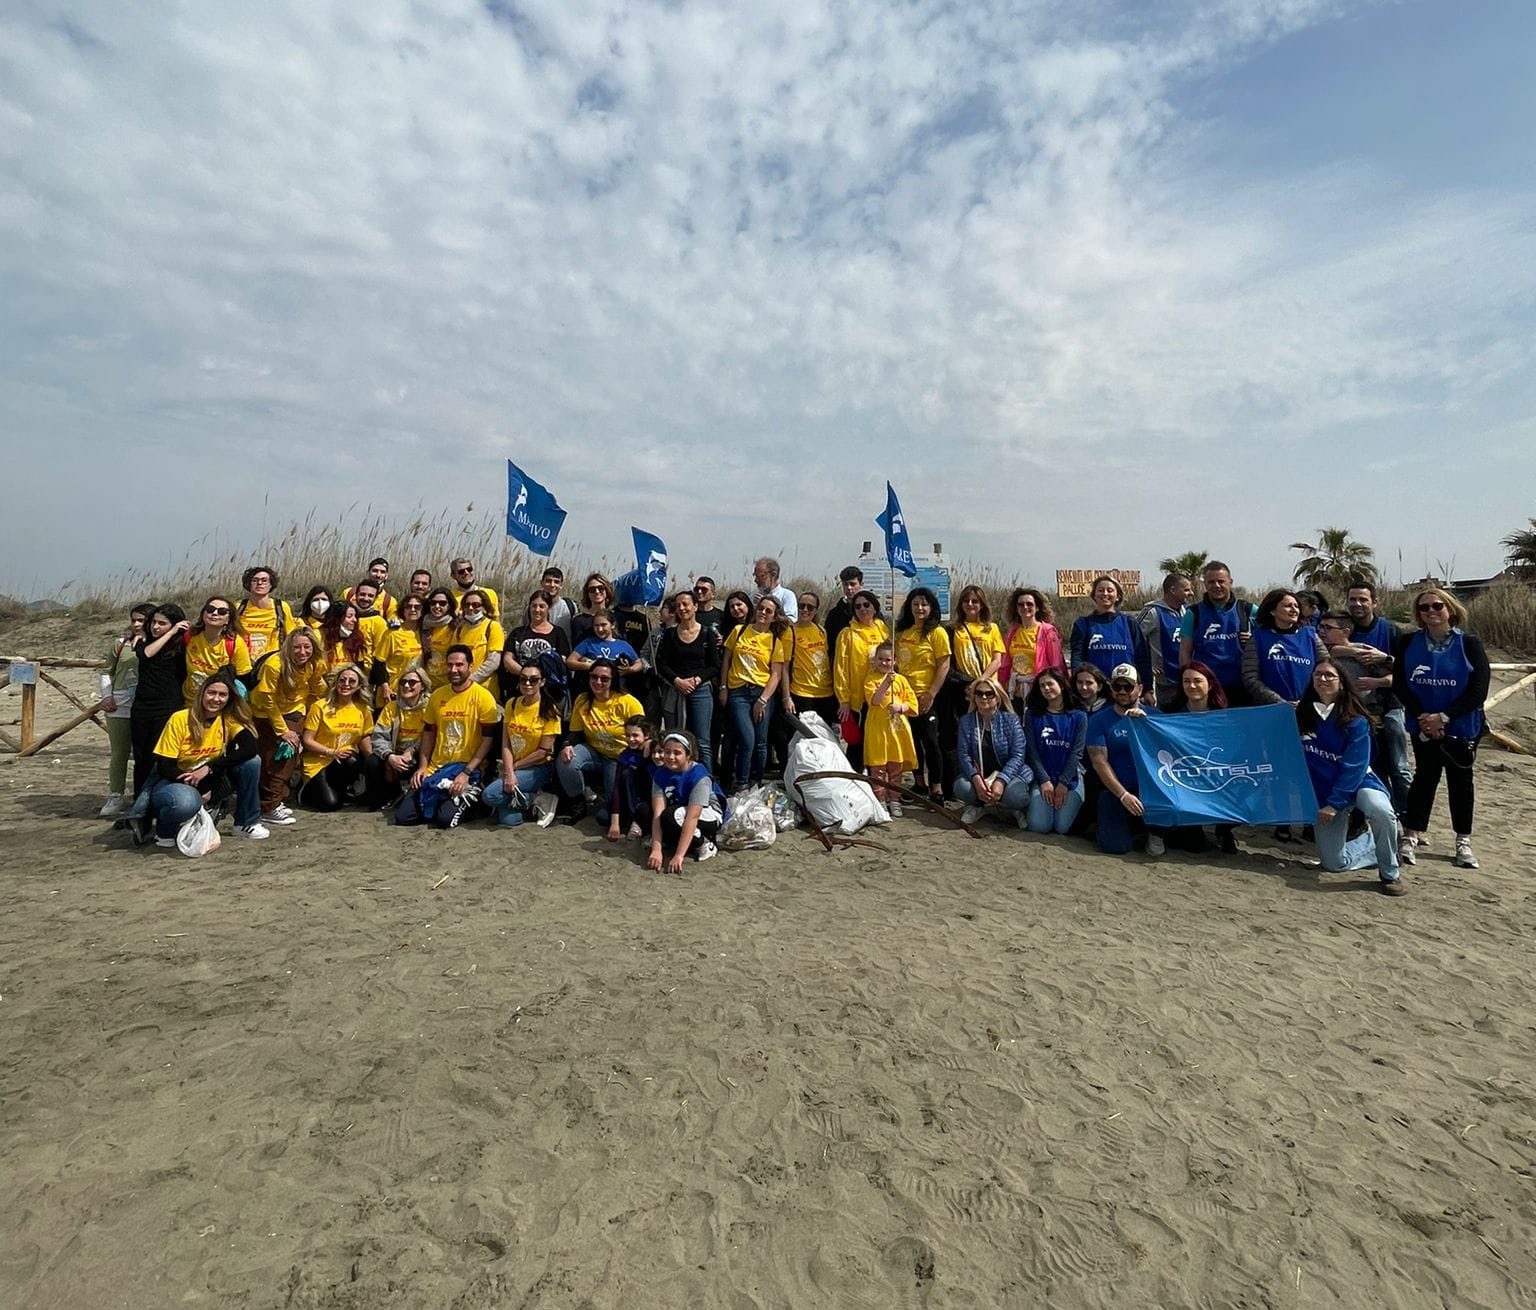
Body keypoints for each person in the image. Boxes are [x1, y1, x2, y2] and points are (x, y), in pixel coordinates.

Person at [1394, 588, 1490, 870]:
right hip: (1422, 722)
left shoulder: (1469, 643)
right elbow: (1400, 682)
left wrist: (1444, 717)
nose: (1431, 612)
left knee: (1461, 783)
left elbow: (1478, 688)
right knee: (1424, 777)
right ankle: (1411, 834)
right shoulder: (1409, 641)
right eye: (1424, 608)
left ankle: (1463, 841)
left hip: (1460, 724)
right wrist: (1423, 716)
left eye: (1437, 606)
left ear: (1450, 609)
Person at [1298, 660, 1406, 895]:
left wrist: (1335, 804)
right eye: (1318, 675)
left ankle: (1390, 872)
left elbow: (1354, 766)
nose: (1323, 679)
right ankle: (1378, 843)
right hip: (1325, 793)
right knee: (1334, 864)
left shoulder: (1356, 721)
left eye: (1329, 676)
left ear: (1342, 684)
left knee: (1380, 811)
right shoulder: (1302, 715)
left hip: (1358, 783)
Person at [141, 671, 266, 845]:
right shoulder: (180, 719)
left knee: (252, 763)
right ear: (202, 694)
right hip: (174, 780)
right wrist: (200, 785)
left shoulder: (227, 720)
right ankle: (164, 832)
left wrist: (209, 768)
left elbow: (250, 749)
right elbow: (165, 766)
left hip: (209, 777)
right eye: (211, 693)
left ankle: (246, 822)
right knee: (186, 803)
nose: (216, 699)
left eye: (222, 695)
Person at [397, 646, 501, 828]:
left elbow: (488, 741)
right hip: (437, 768)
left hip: (467, 769)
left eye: (459, 665)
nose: (454, 670)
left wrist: (466, 773)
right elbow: (429, 734)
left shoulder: (483, 697)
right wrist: (422, 767)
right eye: (450, 665)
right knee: (404, 818)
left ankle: (478, 803)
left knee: (445, 821)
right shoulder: (437, 696)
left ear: (470, 666)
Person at [1317, 609, 1407, 806]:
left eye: (1327, 628)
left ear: (1346, 631)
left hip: (1367, 715)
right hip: (1333, 716)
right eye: (1320, 627)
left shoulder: (1366, 653)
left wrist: (1378, 681)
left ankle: (1394, 813)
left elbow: (1398, 676)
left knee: (1383, 767)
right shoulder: (1320, 649)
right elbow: (1329, 651)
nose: (1321, 631)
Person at [1344, 579, 1414, 814]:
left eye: (1363, 599)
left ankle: (1408, 818)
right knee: (1371, 766)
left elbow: (1408, 672)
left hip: (1391, 705)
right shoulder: (1344, 629)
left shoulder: (1390, 630)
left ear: (1375, 602)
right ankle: (1379, 815)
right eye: (1352, 599)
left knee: (1399, 766)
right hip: (1356, 709)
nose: (1357, 604)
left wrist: (1382, 666)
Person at [1086, 664, 1167, 856]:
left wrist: (1147, 726)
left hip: (1152, 790)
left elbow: (1170, 752)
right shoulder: (1099, 720)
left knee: (1191, 842)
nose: (1122, 692)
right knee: (1115, 847)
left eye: (1128, 687)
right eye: (1117, 687)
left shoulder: (1156, 717)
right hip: (1115, 790)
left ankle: (1153, 832)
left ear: (1139, 688)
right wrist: (1123, 795)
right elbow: (1099, 762)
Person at [249, 627, 322, 825]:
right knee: (279, 756)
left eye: (307, 647)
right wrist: (283, 731)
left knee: (289, 758)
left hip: (295, 710)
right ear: (289, 647)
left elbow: (318, 686)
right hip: (266, 713)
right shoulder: (274, 665)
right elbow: (267, 700)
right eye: (297, 647)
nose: (302, 652)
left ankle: (278, 798)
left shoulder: (313, 663)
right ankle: (268, 806)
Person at [556, 658, 644, 823]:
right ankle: (578, 803)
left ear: (613, 680)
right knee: (566, 759)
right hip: (594, 752)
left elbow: (642, 738)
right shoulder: (582, 700)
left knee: (608, 816)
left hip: (619, 758)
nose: (598, 682)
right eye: (594, 677)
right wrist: (567, 745)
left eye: (605, 679)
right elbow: (575, 732)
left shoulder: (628, 703)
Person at [719, 596, 790, 792]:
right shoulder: (739, 631)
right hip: (738, 692)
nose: (763, 613)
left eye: (769, 611)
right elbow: (726, 661)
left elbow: (775, 674)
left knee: (761, 742)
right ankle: (742, 783)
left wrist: (763, 699)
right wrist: (723, 687)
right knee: (747, 739)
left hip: (762, 692)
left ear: (774, 617)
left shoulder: (775, 642)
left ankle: (756, 783)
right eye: (761, 609)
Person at [1167, 661, 1239, 855]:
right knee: (1194, 846)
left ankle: (1224, 830)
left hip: (1216, 776)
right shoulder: (1170, 714)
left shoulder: (1225, 716)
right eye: (1186, 681)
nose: (1191, 686)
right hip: (1183, 780)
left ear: (1210, 684)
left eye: (1197, 681)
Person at [483, 663, 562, 827]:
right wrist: (509, 770)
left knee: (489, 795)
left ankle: (539, 798)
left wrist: (512, 770)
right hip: (513, 764)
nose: (527, 684)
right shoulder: (512, 703)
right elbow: (506, 744)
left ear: (542, 682)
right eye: (523, 679)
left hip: (538, 767)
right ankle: (531, 801)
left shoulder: (549, 711)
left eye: (533, 680)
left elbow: (543, 752)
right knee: (510, 820)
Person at [894, 587, 952, 803]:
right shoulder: (902, 633)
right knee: (912, 741)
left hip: (927, 696)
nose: (920, 608)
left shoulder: (937, 632)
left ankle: (936, 788)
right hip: (904, 697)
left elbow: (943, 665)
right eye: (916, 604)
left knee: (930, 741)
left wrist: (931, 694)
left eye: (924, 604)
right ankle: (919, 783)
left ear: (931, 608)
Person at [128, 604, 188, 802]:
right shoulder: (142, 641)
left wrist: (175, 633)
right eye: (154, 622)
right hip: (143, 707)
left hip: (169, 707)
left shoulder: (183, 645)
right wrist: (169, 632)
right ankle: (139, 805)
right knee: (141, 759)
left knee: (161, 758)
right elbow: (147, 654)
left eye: (162, 623)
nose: (155, 627)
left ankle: (157, 801)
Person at [99, 603, 154, 817]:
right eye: (134, 620)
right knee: (120, 752)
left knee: (146, 754)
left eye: (142, 620)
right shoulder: (120, 644)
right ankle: (115, 795)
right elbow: (106, 671)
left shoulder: (160, 644)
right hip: (120, 703)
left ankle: (144, 795)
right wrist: (106, 696)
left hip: (147, 704)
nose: (137, 624)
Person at [656, 589, 721, 768]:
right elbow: (662, 664)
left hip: (700, 689)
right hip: (675, 689)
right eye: (678, 606)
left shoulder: (707, 633)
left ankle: (707, 780)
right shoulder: (669, 634)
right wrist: (677, 680)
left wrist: (697, 679)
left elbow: (715, 666)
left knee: (702, 741)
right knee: (676, 738)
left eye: (686, 604)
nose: (682, 608)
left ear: (695, 606)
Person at [954, 675, 1032, 827]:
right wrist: (976, 778)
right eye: (979, 693)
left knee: (1016, 796)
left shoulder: (1011, 720)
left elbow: (1018, 756)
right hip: (983, 774)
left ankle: (1014, 809)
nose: (984, 697)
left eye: (989, 693)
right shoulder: (966, 721)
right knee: (961, 787)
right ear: (974, 697)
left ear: (998, 697)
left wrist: (1001, 780)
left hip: (1010, 775)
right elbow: (964, 755)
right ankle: (979, 806)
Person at [297, 664, 374, 811]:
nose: (346, 684)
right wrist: (331, 752)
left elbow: (364, 737)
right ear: (335, 683)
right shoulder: (320, 707)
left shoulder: (363, 709)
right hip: (319, 762)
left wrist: (371, 763)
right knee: (330, 805)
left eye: (351, 681)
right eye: (342, 680)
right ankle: (306, 788)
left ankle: (342, 789)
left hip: (346, 761)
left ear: (358, 687)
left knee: (352, 760)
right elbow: (307, 741)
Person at [646, 730, 725, 872]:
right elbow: (658, 813)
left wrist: (678, 856)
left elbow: (693, 816)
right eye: (667, 752)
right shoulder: (661, 773)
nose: (670, 757)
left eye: (677, 753)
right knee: (646, 811)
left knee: (671, 816)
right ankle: (670, 841)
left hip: (708, 813)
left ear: (688, 755)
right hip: (680, 807)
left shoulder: (699, 776)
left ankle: (704, 842)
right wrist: (656, 850)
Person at [1179, 561, 1255, 706]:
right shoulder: (1193, 613)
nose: (1217, 586)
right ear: (1205, 585)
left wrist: (1253, 640)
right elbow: (1184, 651)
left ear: (1230, 582)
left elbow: (1270, 636)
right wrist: (1188, 681)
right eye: (1211, 582)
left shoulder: (1247, 609)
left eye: (1221, 581)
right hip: (1208, 689)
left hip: (1242, 687)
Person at [1022, 668, 1087, 835]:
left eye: (1050, 684)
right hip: (1043, 777)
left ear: (1062, 685)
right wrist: (1044, 780)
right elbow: (1032, 750)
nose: (1046, 688)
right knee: (1039, 826)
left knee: (1062, 827)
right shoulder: (1033, 715)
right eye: (1042, 686)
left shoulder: (1079, 716)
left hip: (1070, 779)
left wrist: (1063, 783)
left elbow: (1076, 753)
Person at [833, 590, 890, 769]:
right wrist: (843, 700)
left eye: (867, 605)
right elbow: (840, 669)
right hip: (858, 700)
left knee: (879, 739)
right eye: (857, 606)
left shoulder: (882, 628)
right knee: (857, 742)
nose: (862, 609)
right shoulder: (847, 634)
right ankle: (854, 777)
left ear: (874, 607)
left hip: (880, 694)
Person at [362, 664, 429, 810]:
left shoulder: (430, 707)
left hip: (420, 755)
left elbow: (432, 736)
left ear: (422, 686)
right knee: (372, 761)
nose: (406, 685)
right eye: (402, 682)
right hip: (395, 755)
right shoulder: (391, 707)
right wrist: (389, 756)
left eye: (412, 682)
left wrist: (412, 750)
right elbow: (379, 737)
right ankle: (381, 799)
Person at [1243, 589, 1326, 706]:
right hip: (1271, 709)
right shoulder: (1258, 638)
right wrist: (1280, 703)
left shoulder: (1311, 636)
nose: (1294, 610)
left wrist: (1307, 701)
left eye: (1296, 606)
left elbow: (1327, 668)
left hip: (1307, 708)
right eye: (1287, 606)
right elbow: (1250, 677)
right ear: (1272, 611)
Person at [862, 643, 918, 816]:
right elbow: (875, 700)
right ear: (874, 660)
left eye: (888, 660)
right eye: (880, 659)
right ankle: (879, 800)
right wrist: (886, 683)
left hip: (896, 733)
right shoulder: (870, 679)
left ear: (894, 661)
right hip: (877, 731)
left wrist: (901, 707)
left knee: (895, 769)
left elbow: (913, 706)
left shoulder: (901, 680)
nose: (884, 663)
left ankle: (894, 799)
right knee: (878, 770)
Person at [1070, 576, 1150, 688]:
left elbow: (1142, 657)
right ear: (1094, 595)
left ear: (1118, 596)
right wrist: (1077, 685)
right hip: (1095, 689)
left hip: (1124, 688)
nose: (1105, 593)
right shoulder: (1083, 624)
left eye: (1110, 590)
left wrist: (1147, 688)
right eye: (1100, 590)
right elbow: (1077, 658)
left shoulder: (1129, 622)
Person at [500, 591, 573, 706]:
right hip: (520, 692)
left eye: (541, 606)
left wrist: (539, 680)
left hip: (549, 695)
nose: (537, 610)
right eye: (534, 606)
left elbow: (562, 661)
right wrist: (527, 677)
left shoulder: (558, 633)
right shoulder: (517, 633)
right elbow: (507, 660)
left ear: (548, 608)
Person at [1001, 587, 1064, 711]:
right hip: (1015, 691)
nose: (1025, 607)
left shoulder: (1047, 632)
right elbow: (1005, 663)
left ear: (1037, 607)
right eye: (1021, 604)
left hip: (1039, 690)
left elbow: (1056, 664)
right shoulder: (1012, 632)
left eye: (1029, 604)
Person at [1138, 573, 1193, 711]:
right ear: (1173, 590)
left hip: (1188, 678)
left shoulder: (1189, 612)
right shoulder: (1153, 612)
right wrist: (1146, 665)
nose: (1191, 593)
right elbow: (1132, 637)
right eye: (1186, 590)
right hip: (1166, 681)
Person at [182, 595, 252, 704]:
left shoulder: (235, 643)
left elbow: (243, 677)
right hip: (190, 701)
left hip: (217, 704)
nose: (214, 613)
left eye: (222, 611)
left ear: (228, 619)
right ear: (203, 614)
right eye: (210, 609)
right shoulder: (190, 636)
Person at [569, 608, 645, 695]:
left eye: (603, 625)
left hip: (617, 692)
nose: (600, 629)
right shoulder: (588, 643)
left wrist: (629, 670)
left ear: (612, 625)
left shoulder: (623, 645)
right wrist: (588, 665)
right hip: (592, 692)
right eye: (596, 625)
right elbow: (570, 662)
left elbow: (639, 663)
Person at [606, 716, 659, 841]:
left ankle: (637, 822)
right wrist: (614, 824)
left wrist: (649, 751)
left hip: (652, 798)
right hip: (633, 796)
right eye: (627, 735)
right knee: (603, 817)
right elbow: (617, 788)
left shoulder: (657, 751)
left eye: (635, 735)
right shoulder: (625, 755)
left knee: (628, 773)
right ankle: (633, 819)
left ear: (646, 735)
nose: (630, 739)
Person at [237, 566, 298, 661]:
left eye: (264, 580)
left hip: (272, 661)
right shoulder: (239, 607)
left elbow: (291, 635)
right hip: (243, 660)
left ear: (271, 585)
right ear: (248, 584)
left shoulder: (281, 607)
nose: (259, 583)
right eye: (255, 580)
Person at [449, 588, 505, 688]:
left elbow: (493, 662)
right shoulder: (460, 629)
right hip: (461, 687)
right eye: (467, 605)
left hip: (485, 687)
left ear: (484, 607)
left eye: (476, 605)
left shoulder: (492, 627)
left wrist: (469, 680)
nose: (470, 608)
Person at [373, 594, 425, 701]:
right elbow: (378, 664)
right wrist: (385, 688)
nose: (413, 609)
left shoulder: (425, 633)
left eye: (417, 607)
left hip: (415, 693)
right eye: (408, 606)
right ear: (403, 610)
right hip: (392, 692)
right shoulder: (392, 633)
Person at [314, 597, 372, 689]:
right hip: (323, 690)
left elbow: (360, 668)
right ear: (337, 618)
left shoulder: (356, 638)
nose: (354, 620)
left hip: (347, 689)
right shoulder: (318, 636)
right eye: (349, 617)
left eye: (355, 616)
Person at [420, 587, 458, 687]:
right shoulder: (422, 625)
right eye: (433, 603)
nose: (437, 606)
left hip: (449, 684)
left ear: (449, 605)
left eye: (442, 603)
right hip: (426, 685)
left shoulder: (456, 626)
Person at [824, 566, 864, 654]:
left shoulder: (870, 611)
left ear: (861, 585)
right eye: (846, 584)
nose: (849, 588)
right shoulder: (835, 614)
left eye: (853, 584)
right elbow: (829, 643)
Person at [345, 558, 397, 624]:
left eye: (382, 572)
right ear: (368, 572)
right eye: (375, 571)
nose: (378, 575)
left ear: (386, 576)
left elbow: (393, 628)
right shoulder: (349, 593)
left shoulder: (390, 602)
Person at [572, 573, 616, 645]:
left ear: (607, 590)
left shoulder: (617, 617)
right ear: (587, 593)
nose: (597, 592)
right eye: (592, 589)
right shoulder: (579, 620)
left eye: (600, 588)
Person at [750, 556, 799, 621]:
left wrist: (766, 605)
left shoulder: (787, 595)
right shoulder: (753, 595)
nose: (756, 580)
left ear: (773, 574)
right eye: (755, 576)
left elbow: (791, 621)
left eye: (761, 576)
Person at [540, 566, 577, 641]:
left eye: (556, 582)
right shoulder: (532, 608)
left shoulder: (570, 607)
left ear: (561, 585)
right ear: (542, 583)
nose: (552, 585)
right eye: (548, 581)